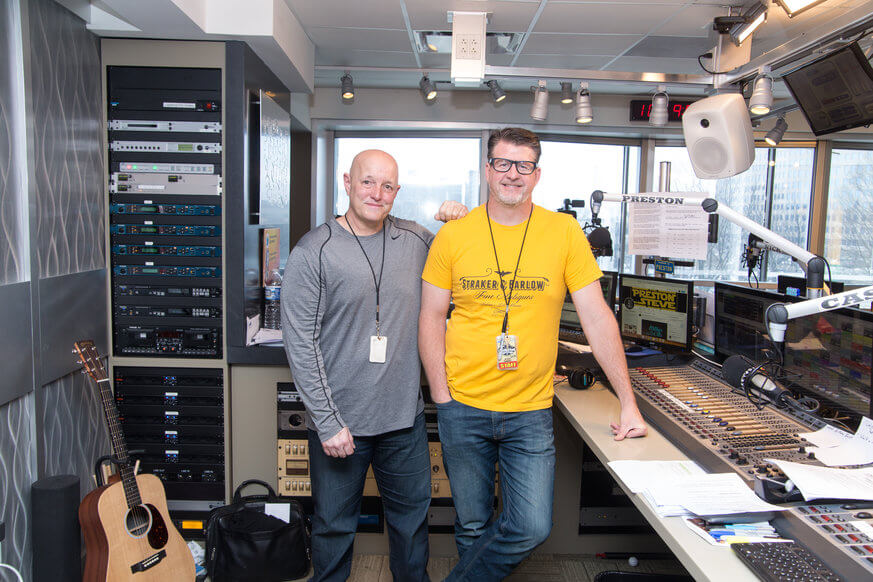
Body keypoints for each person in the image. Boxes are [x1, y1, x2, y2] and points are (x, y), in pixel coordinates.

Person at [418, 127, 648, 581]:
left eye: (523, 165)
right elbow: (430, 317)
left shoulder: (562, 232)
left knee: (530, 525)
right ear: (488, 170)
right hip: (462, 404)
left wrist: (629, 401)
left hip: (530, 410)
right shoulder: (454, 235)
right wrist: (442, 396)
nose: (512, 174)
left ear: (537, 174)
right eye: (503, 163)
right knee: (471, 524)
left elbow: (597, 317)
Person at [280, 149, 466, 582]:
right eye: (367, 182)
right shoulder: (315, 251)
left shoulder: (418, 240)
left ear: (397, 192)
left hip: (404, 421)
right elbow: (300, 343)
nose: (376, 194)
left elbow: (466, 263)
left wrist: (461, 219)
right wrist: (326, 422)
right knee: (332, 529)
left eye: (387, 186)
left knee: (411, 527)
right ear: (347, 182)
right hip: (340, 425)